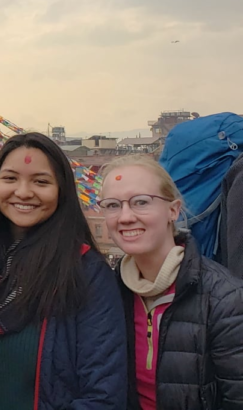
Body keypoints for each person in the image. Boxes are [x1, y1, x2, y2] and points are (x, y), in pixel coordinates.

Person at [0, 132, 126, 410]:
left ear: (61, 190)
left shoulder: (86, 273)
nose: (24, 192)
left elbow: (103, 392)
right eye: (10, 178)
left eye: (41, 181)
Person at [99, 154, 243, 410]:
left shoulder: (225, 300)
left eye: (140, 202)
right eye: (112, 205)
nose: (125, 217)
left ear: (173, 210)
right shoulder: (106, 294)